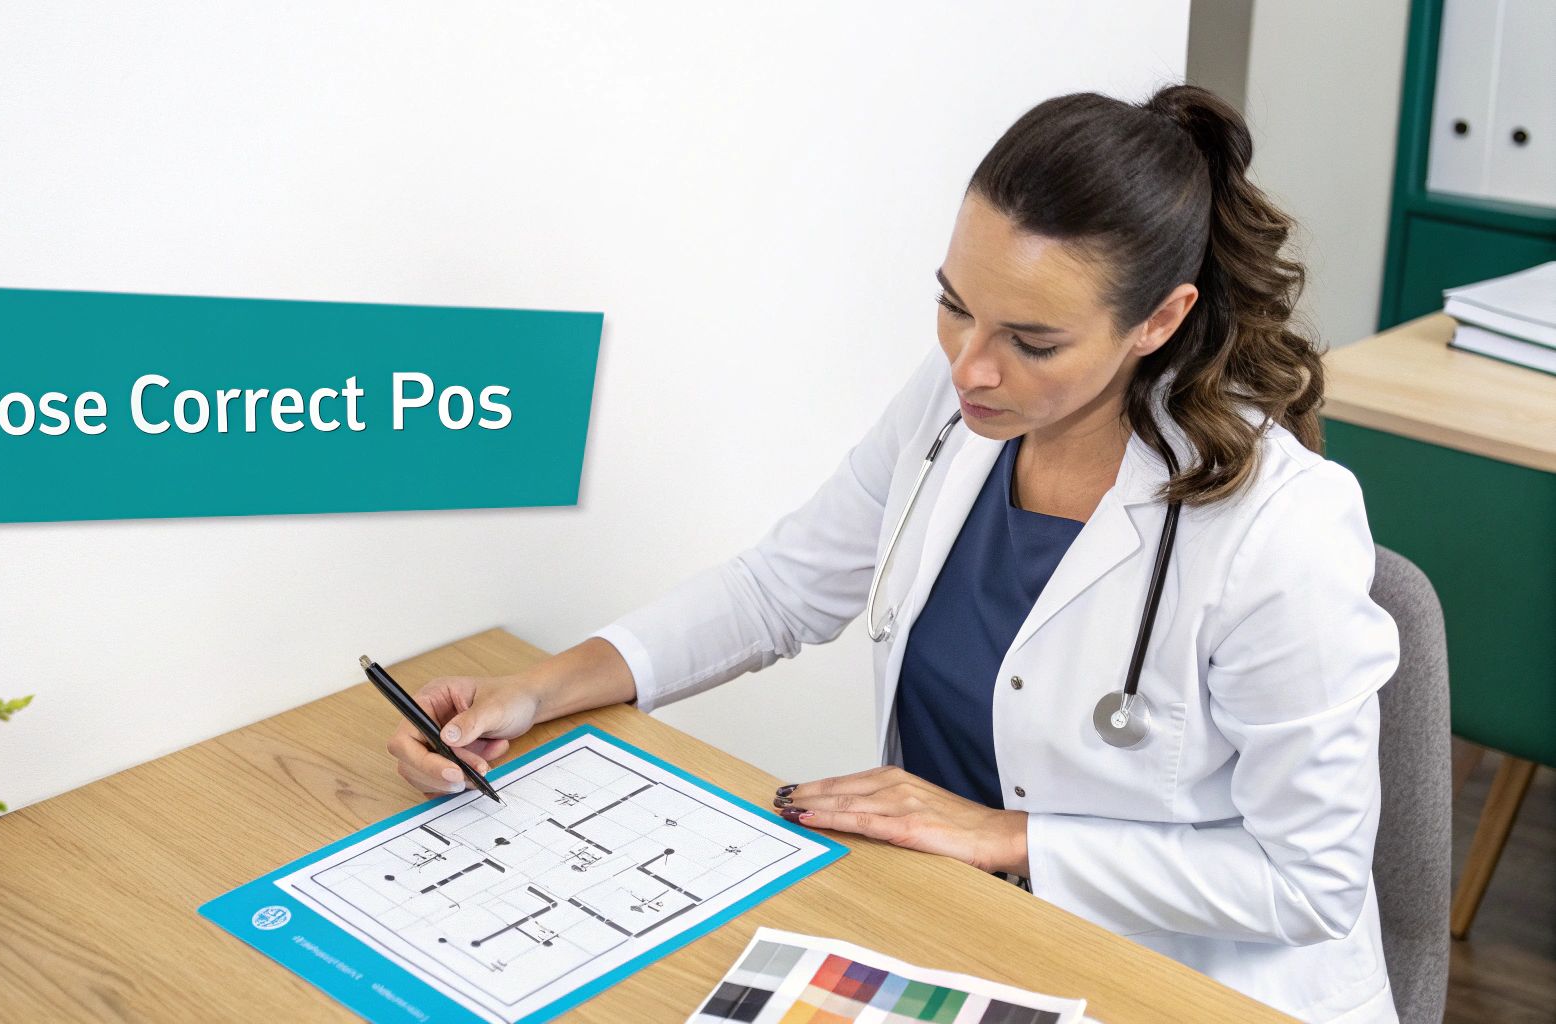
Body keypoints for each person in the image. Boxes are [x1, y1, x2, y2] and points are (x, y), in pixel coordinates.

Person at [385, 83, 1401, 1024]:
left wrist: (1004, 837)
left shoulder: (1280, 528)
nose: (969, 363)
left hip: (1174, 981)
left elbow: (1305, 879)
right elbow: (777, 591)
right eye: (954, 302)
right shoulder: (957, 402)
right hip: (947, 926)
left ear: (1158, 320)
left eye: (1030, 340)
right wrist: (535, 690)